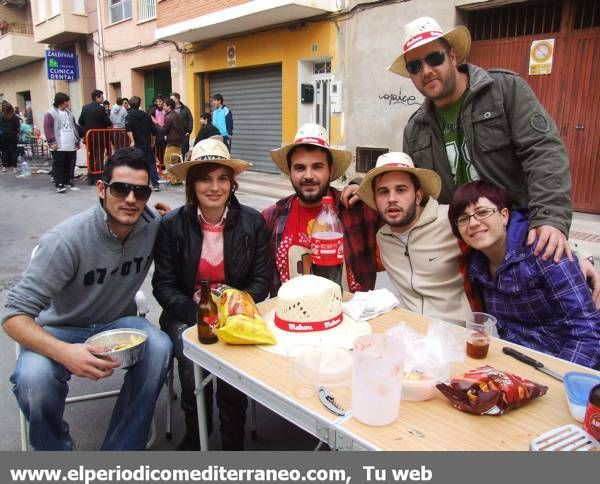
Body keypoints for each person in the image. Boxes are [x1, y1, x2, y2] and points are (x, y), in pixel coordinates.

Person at [2, 148, 173, 450]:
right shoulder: (66, 241)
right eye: (121, 189)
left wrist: (168, 214)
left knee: (160, 346)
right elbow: (14, 315)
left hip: (117, 323)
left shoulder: (151, 225)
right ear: (101, 189)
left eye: (141, 191)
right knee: (34, 379)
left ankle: (119, 454)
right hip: (61, 328)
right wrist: (65, 353)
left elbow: (186, 226)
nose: (131, 199)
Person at [391, 16, 572, 263]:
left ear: (452, 56)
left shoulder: (504, 90)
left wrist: (550, 218)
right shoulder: (415, 129)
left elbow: (543, 152)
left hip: (521, 236)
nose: (426, 70)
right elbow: (410, 187)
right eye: (414, 66)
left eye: (435, 58)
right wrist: (362, 187)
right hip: (463, 245)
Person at [356, 152, 600, 324]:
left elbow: (510, 231)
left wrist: (578, 257)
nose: (392, 199)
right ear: (376, 201)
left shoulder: (452, 221)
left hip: (460, 334)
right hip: (410, 332)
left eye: (401, 190)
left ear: (418, 195)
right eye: (383, 192)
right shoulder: (383, 238)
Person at [152, 138, 271, 450]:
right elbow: (163, 286)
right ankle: (196, 435)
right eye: (205, 178)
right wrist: (199, 316)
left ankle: (233, 441)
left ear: (232, 184)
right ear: (192, 184)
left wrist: (233, 310)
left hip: (236, 313)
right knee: (191, 362)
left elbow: (261, 280)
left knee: (233, 367)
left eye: (222, 178)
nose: (214, 187)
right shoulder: (171, 225)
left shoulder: (253, 222)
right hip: (187, 313)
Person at [448, 181, 600, 369]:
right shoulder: (476, 266)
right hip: (516, 363)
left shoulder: (543, 251)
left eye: (482, 212)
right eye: (463, 218)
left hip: (564, 365)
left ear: (504, 215)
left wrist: (561, 380)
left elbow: (588, 332)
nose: (473, 223)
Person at [263, 123, 378, 294]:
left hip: (351, 318)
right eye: (300, 168)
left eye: (317, 167)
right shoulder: (271, 217)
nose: (308, 176)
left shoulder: (357, 208)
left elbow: (403, 211)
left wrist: (367, 188)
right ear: (290, 172)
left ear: (331, 171)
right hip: (292, 318)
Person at [43, 93, 80, 193]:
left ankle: (67, 180)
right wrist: (51, 141)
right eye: (67, 101)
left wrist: (77, 140)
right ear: (61, 102)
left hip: (70, 142)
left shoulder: (69, 113)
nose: (68, 103)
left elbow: (74, 127)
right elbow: (47, 128)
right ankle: (59, 183)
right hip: (59, 144)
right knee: (59, 164)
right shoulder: (50, 113)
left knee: (69, 163)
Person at [125, 96, 160, 191]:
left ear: (130, 105)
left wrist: (132, 141)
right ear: (139, 104)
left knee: (137, 163)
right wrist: (152, 141)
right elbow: (154, 130)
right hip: (146, 143)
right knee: (151, 163)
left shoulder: (129, 116)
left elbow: (129, 130)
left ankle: (139, 183)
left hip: (136, 144)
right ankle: (155, 183)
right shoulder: (146, 116)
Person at [162, 99, 185, 185]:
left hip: (172, 142)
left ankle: (174, 180)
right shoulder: (177, 115)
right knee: (175, 163)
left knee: (167, 161)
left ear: (169, 107)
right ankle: (178, 179)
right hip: (178, 142)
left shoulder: (170, 117)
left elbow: (164, 129)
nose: (163, 107)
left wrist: (156, 124)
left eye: (165, 105)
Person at [170, 93, 193, 157]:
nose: (170, 100)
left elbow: (190, 120)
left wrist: (189, 131)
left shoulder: (185, 109)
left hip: (184, 134)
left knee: (184, 152)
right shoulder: (170, 109)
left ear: (177, 99)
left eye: (172, 99)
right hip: (174, 135)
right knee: (175, 153)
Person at [0, 102, 20, 173]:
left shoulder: (1, 116)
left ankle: (4, 167)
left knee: (4, 151)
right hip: (13, 135)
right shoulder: (15, 117)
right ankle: (14, 167)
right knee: (14, 151)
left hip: (4, 136)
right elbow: (18, 127)